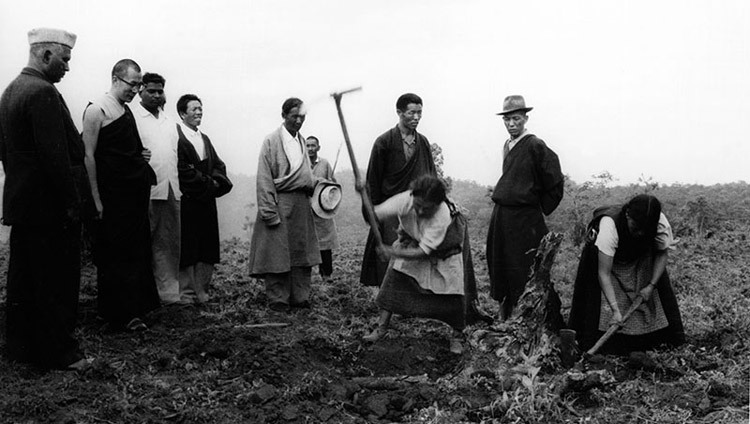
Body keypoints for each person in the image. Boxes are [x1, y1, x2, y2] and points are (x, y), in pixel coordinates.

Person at [0, 28, 91, 370]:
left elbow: (5, 152)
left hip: (23, 205)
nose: (67, 67)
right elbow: (56, 158)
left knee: (25, 280)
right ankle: (59, 353)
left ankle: (21, 349)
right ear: (46, 55)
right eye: (65, 59)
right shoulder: (42, 93)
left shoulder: (11, 91)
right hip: (50, 208)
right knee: (56, 282)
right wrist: (72, 203)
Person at [82, 59, 159, 332]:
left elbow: (125, 151)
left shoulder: (125, 111)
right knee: (114, 255)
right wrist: (95, 198)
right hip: (111, 196)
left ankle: (134, 310)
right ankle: (114, 314)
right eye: (132, 84)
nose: (136, 90)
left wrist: (140, 156)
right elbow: (88, 156)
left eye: (139, 85)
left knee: (135, 252)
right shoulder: (97, 110)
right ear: (115, 79)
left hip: (132, 196)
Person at [359, 176, 470, 354]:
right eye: (417, 205)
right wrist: (364, 196)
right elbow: (372, 215)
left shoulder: (442, 216)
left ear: (437, 205)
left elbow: (423, 252)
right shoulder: (404, 199)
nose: (418, 211)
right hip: (413, 238)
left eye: (425, 209)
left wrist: (392, 252)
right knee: (395, 278)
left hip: (445, 247)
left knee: (452, 290)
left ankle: (457, 335)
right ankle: (381, 328)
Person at [568, 194, 685, 354]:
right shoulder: (609, 226)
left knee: (661, 299)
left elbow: (661, 254)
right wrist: (615, 311)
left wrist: (651, 285)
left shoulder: (659, 222)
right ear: (628, 215)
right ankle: (589, 347)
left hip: (640, 258)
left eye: (646, 230)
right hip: (604, 262)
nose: (640, 234)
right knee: (593, 309)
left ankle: (666, 340)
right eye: (636, 228)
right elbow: (604, 274)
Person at [486, 95, 564, 320]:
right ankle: (504, 311)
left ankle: (527, 316)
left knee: (523, 265)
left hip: (524, 217)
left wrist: (537, 205)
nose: (511, 124)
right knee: (500, 261)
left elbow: (554, 178)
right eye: (507, 119)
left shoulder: (535, 144)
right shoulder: (508, 145)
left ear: (525, 118)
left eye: (516, 119)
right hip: (503, 214)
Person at [248, 98, 320, 313]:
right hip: (280, 201)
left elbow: (307, 174)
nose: (298, 121)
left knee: (301, 251)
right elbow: (264, 177)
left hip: (301, 203)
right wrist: (268, 210)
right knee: (277, 252)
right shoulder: (271, 141)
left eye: (302, 117)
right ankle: (278, 297)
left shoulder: (302, 141)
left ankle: (300, 296)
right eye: (294, 116)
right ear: (284, 115)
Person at [360, 93, 437, 287]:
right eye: (411, 113)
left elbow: (432, 177)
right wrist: (373, 213)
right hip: (392, 210)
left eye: (420, 113)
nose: (416, 117)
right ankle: (387, 302)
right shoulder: (384, 142)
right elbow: (373, 182)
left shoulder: (423, 143)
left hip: (418, 211)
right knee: (391, 258)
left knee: (416, 258)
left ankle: (415, 302)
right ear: (399, 112)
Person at [175, 94, 232, 304]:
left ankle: (203, 291)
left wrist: (216, 182)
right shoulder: (177, 137)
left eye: (201, 108)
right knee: (188, 245)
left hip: (207, 202)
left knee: (207, 245)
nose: (199, 112)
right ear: (182, 114)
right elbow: (182, 170)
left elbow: (218, 165)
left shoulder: (204, 138)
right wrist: (208, 183)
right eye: (194, 109)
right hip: (188, 200)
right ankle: (187, 293)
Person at [132, 72, 182, 305]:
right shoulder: (132, 116)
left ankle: (169, 293)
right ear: (140, 90)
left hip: (171, 187)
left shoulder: (169, 121)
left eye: (159, 91)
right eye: (150, 90)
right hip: (144, 189)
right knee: (143, 242)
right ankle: (144, 294)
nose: (155, 95)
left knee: (169, 242)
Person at [306, 135, 339, 282]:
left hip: (322, 209)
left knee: (325, 244)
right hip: (306, 209)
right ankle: (305, 277)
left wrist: (327, 184)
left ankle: (327, 275)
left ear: (318, 148)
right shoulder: (301, 164)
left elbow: (333, 184)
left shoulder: (324, 164)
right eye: (308, 146)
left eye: (313, 146)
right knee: (306, 242)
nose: (310, 148)